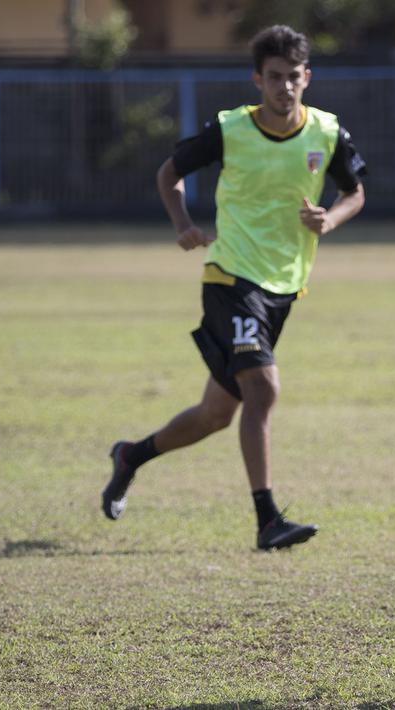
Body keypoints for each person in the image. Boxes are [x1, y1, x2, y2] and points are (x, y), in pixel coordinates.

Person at [101, 25, 367, 551]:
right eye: (274, 78)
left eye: (293, 77)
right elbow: (168, 173)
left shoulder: (327, 133)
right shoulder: (230, 129)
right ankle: (268, 521)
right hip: (231, 277)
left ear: (307, 78)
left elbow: (356, 192)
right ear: (257, 80)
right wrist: (182, 224)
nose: (284, 87)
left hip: (285, 286)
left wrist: (330, 219)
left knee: (215, 416)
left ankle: (131, 455)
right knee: (263, 389)